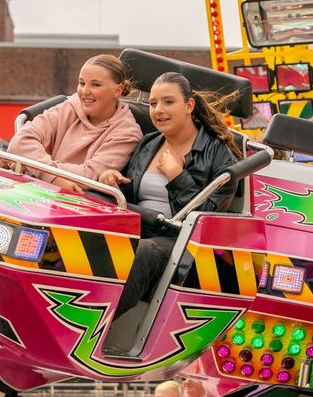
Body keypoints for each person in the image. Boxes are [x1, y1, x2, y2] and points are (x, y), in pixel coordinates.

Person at [100, 72, 243, 321]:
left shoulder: (218, 153)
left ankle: (98, 323)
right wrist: (111, 179)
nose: (158, 110)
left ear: (189, 106)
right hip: (137, 226)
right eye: (153, 103)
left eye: (168, 102)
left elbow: (207, 218)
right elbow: (131, 193)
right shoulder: (149, 144)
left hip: (179, 242)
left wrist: (177, 177)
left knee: (145, 251)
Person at [8, 54, 143, 193]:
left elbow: (88, 175)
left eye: (96, 85)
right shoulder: (69, 107)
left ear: (118, 90)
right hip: (37, 190)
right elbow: (20, 141)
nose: (85, 91)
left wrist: (32, 165)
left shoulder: (127, 133)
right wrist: (53, 177)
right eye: (82, 83)